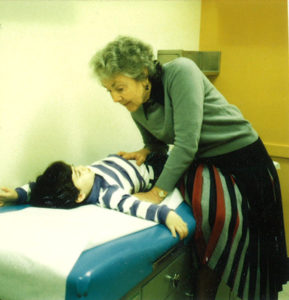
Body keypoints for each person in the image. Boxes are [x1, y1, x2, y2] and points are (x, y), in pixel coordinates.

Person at [90, 36, 289, 300]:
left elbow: (186, 144)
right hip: (205, 158)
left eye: (119, 88)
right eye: (109, 91)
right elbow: (157, 143)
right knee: (214, 218)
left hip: (242, 154)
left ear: (143, 74)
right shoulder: (135, 103)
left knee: (245, 235)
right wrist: (146, 150)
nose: (115, 98)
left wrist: (157, 193)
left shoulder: (181, 72)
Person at [0, 153, 188, 240]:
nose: (82, 168)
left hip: (132, 156)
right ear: (80, 196)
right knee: (180, 158)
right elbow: (134, 206)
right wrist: (166, 214)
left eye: (75, 167)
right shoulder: (107, 193)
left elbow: (41, 187)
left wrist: (17, 194)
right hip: (153, 169)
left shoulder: (81, 182)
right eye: (78, 174)